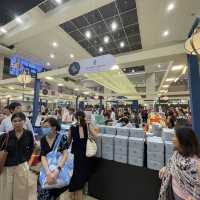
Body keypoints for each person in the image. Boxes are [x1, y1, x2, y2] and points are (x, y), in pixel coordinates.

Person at [158, 127, 200, 200]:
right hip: (173, 193)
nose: (172, 139)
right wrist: (166, 168)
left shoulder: (196, 163)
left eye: (175, 136)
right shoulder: (177, 154)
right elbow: (173, 166)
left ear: (183, 140)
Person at [0, 112, 34, 200]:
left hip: (21, 166)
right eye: (14, 121)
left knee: (21, 192)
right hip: (7, 167)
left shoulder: (28, 134)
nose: (17, 123)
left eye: (20, 121)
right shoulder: (6, 136)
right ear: (12, 123)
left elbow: (31, 148)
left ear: (24, 121)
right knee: (6, 191)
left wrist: (26, 160)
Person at [68, 111, 98, 200]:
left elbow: (69, 141)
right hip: (86, 153)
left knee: (77, 172)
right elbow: (96, 136)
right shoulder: (87, 125)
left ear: (75, 117)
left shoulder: (72, 126)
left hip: (77, 153)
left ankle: (73, 193)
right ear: (84, 117)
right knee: (83, 173)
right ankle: (79, 194)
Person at [37, 117, 69, 200]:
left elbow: (65, 155)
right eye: (43, 127)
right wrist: (48, 173)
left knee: (55, 193)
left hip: (59, 171)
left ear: (54, 127)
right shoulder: (43, 139)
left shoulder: (62, 137)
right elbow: (43, 156)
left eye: (46, 126)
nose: (44, 129)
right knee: (44, 194)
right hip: (45, 170)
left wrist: (57, 170)